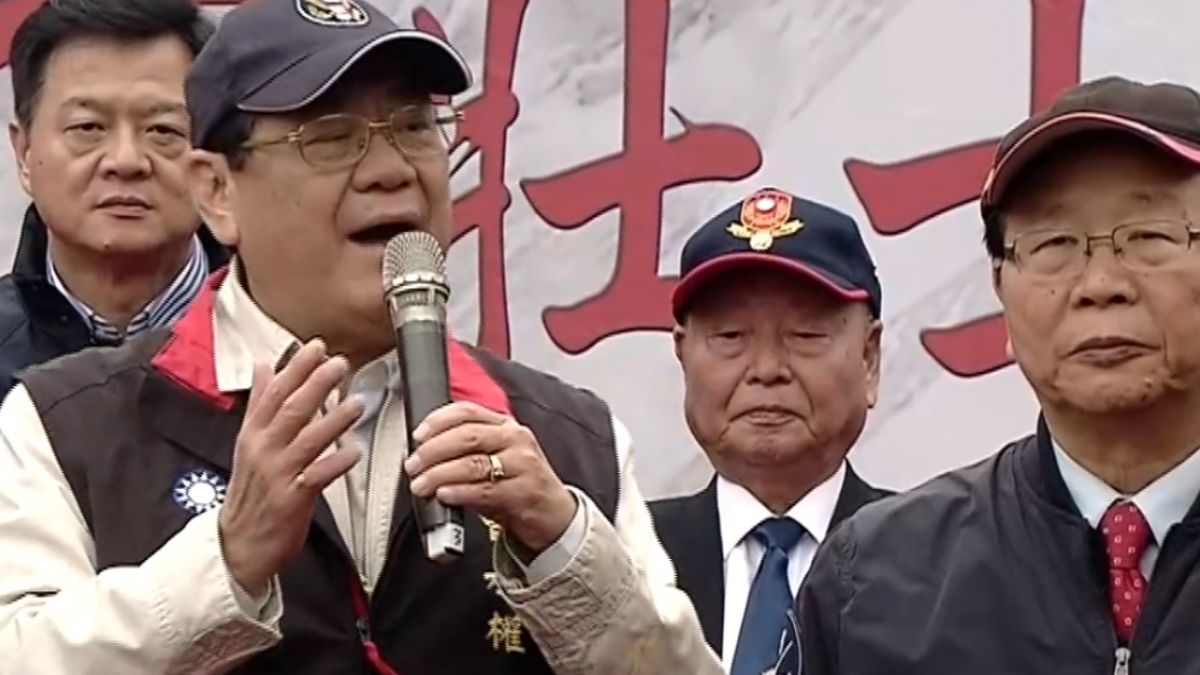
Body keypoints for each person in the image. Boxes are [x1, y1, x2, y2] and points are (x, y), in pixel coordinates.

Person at [0, 0, 723, 673]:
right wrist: (226, 563)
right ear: (216, 191)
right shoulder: (69, 425)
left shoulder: (569, 438)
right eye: (331, 139)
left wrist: (566, 549)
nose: (390, 171)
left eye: (414, 128)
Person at [797, 76, 1200, 675]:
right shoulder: (874, 580)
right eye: (1054, 244)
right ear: (1000, 289)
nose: (1099, 285)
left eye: (1149, 236)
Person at [650, 188, 892, 675]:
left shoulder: (937, 564)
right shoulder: (628, 561)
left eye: (805, 335)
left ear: (869, 358)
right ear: (683, 354)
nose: (766, 370)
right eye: (730, 336)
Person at [0, 0, 230, 394]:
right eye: (88, 127)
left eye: (162, 130)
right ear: (24, 153)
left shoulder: (289, 336)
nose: (126, 161)